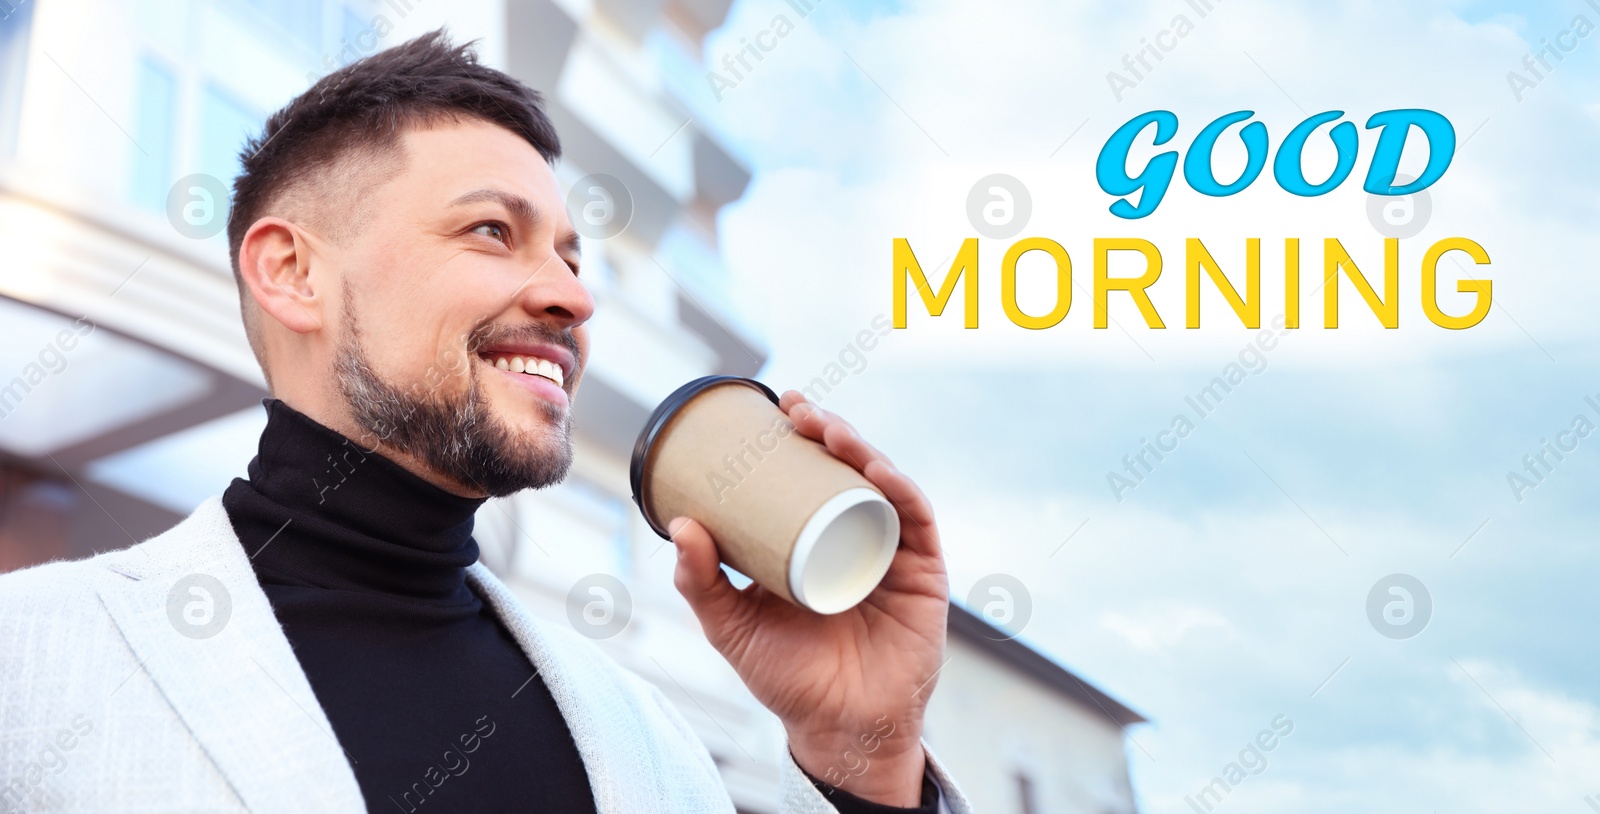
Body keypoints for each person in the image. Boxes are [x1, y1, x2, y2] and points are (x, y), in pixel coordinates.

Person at [0, 31, 970, 814]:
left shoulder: (640, 731)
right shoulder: (31, 659)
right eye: (491, 231)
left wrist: (865, 753)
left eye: (573, 257)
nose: (570, 297)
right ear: (292, 272)